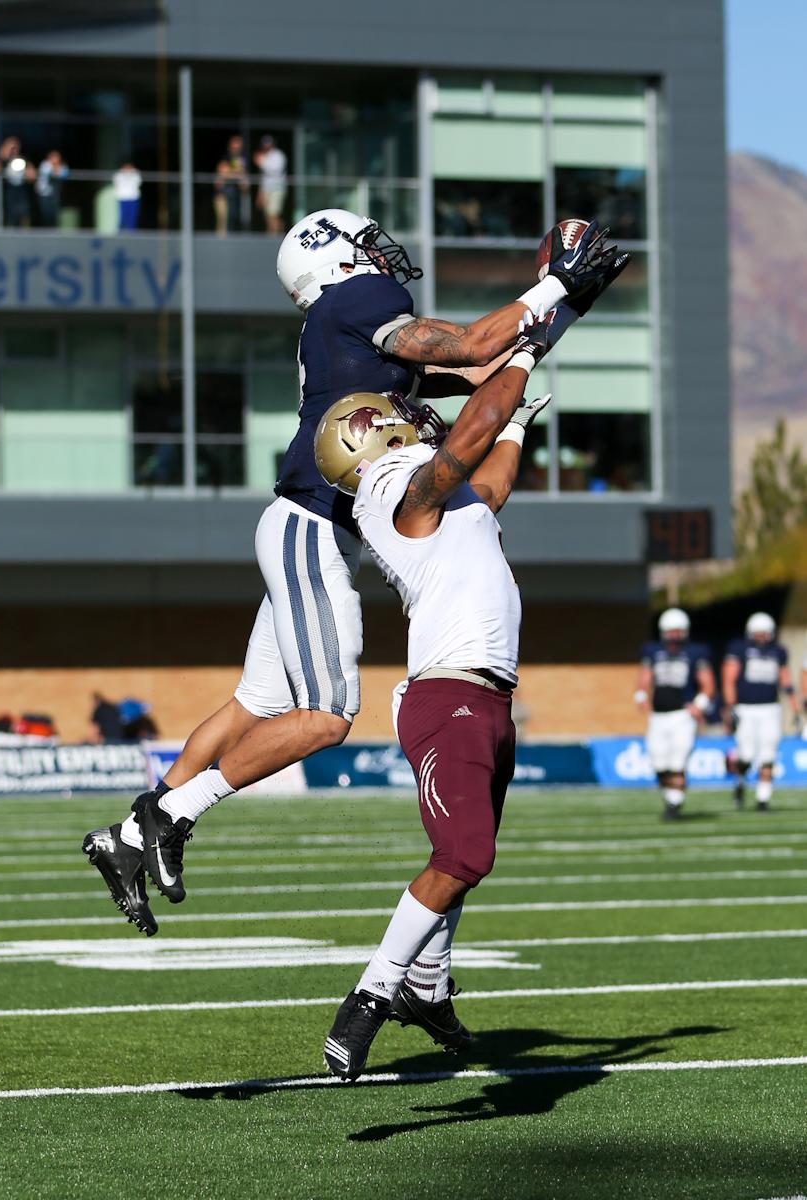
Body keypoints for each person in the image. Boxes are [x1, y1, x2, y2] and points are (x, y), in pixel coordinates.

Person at [82, 209, 622, 936]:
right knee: (328, 716)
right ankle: (172, 814)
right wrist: (554, 283)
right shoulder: (358, 301)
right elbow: (471, 343)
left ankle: (127, 835)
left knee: (255, 702)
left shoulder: (347, 335)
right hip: (314, 526)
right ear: (333, 260)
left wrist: (566, 306)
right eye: (365, 243)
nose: (382, 253)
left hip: (306, 526)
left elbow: (483, 370)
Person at [312, 297, 606, 1080]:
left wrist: (517, 411)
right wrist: (520, 357)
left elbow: (492, 481)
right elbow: (469, 438)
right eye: (396, 414)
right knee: (467, 853)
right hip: (451, 697)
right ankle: (373, 994)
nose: (411, 416)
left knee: (468, 853)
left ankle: (428, 986)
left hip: (484, 695)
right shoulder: (399, 494)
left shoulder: (432, 497)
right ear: (370, 435)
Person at [634, 608, 715, 820]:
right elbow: (645, 677)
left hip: (682, 715)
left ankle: (674, 805)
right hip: (658, 716)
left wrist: (700, 704)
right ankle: (671, 799)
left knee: (678, 761)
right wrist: (641, 694)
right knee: (659, 763)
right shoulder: (652, 651)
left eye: (678, 631)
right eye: (671, 631)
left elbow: (707, 683)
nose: (675, 636)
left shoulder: (695, 652)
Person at [722, 612, 798, 811]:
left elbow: (785, 678)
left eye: (765, 634)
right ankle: (739, 781)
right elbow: (729, 679)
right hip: (745, 708)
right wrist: (730, 706)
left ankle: (762, 799)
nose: (761, 637)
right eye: (758, 633)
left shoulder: (778, 651)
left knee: (768, 753)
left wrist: (794, 705)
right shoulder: (740, 649)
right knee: (746, 755)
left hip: (770, 708)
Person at [213, 135, 248, 235]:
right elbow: (223, 171)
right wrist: (237, 173)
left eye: (239, 147)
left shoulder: (242, 160)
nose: (236, 150)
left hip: (234, 196)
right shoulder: (226, 157)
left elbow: (244, 182)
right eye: (234, 147)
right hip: (222, 195)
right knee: (222, 219)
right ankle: (220, 245)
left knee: (232, 219)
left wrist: (236, 174)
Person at [254, 135, 287, 234]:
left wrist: (262, 163)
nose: (266, 146)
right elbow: (264, 178)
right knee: (268, 215)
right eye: (265, 144)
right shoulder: (265, 156)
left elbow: (276, 171)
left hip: (277, 189)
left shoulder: (279, 155)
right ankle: (272, 234)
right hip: (266, 190)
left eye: (268, 144)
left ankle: (276, 235)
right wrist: (260, 194)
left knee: (273, 213)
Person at [0, 137, 35, 227]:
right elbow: (0, 159)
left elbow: (32, 174)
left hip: (21, 189)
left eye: (16, 147)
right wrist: (7, 150)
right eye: (11, 147)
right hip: (8, 189)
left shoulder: (24, 159)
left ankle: (25, 231)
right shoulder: (4, 160)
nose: (14, 149)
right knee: (11, 212)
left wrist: (29, 173)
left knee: (24, 211)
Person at [34, 150, 67, 227]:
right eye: (55, 157)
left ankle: (53, 230)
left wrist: (58, 169)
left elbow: (65, 174)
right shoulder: (45, 164)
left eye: (58, 157)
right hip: (43, 193)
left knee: (54, 213)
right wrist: (55, 169)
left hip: (54, 194)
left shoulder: (62, 165)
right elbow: (50, 173)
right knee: (45, 213)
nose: (56, 159)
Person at [113, 162, 142, 230]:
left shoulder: (136, 174)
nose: (127, 169)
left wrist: (131, 173)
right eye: (126, 167)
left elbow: (138, 182)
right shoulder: (118, 174)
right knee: (122, 216)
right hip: (122, 198)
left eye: (129, 167)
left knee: (132, 217)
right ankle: (120, 232)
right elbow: (117, 182)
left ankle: (131, 232)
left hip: (133, 198)